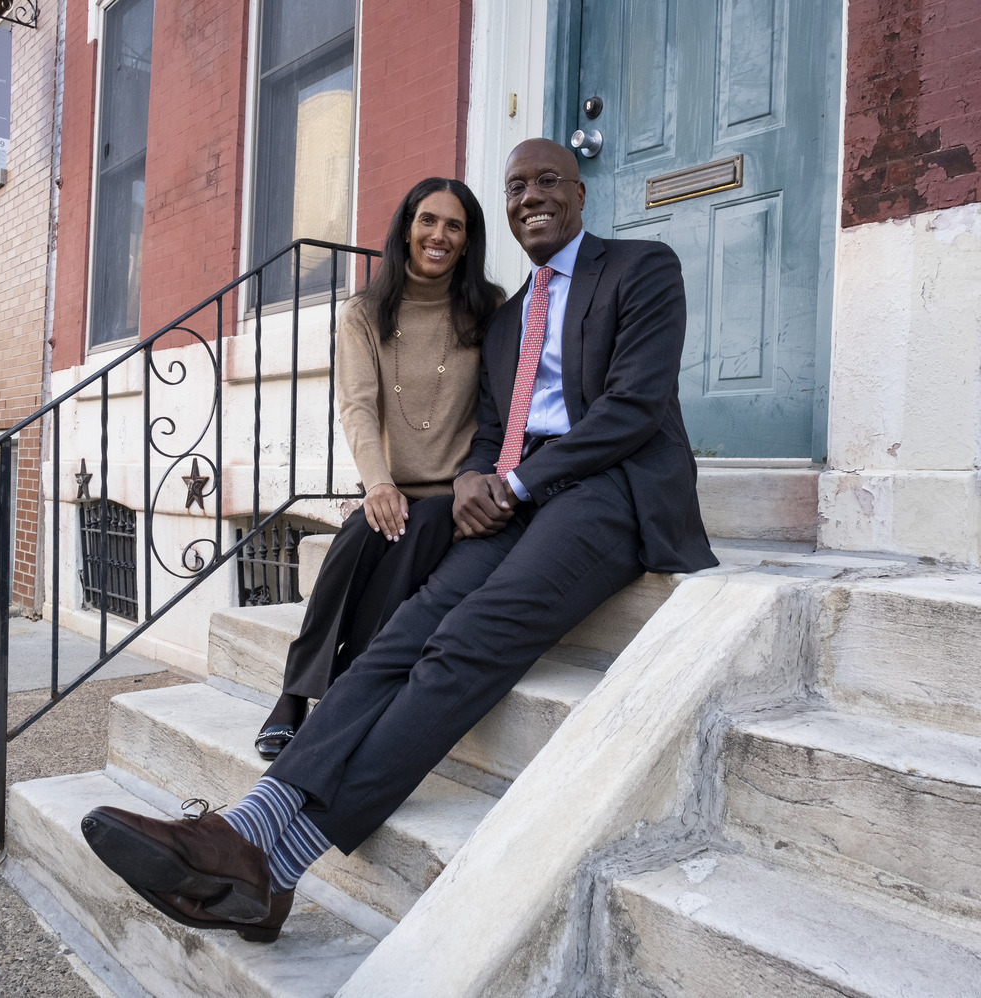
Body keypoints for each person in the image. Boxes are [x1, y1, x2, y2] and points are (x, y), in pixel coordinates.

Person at [79, 139, 719, 941]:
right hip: (521, 495)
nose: (529, 198)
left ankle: (273, 868)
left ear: (581, 193)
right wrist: (477, 481)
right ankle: (252, 828)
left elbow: (634, 407)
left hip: (610, 491)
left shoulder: (640, 268)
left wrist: (512, 482)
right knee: (400, 634)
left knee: (465, 643)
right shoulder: (510, 316)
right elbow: (492, 429)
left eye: (546, 182)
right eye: (515, 186)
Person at [253, 177, 504, 760]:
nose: (439, 235)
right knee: (356, 536)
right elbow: (358, 407)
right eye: (428, 221)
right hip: (393, 486)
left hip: (456, 490)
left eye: (454, 225)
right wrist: (379, 483)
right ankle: (296, 692)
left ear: (467, 241)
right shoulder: (364, 313)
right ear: (406, 228)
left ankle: (342, 690)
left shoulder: (489, 308)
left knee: (414, 536)